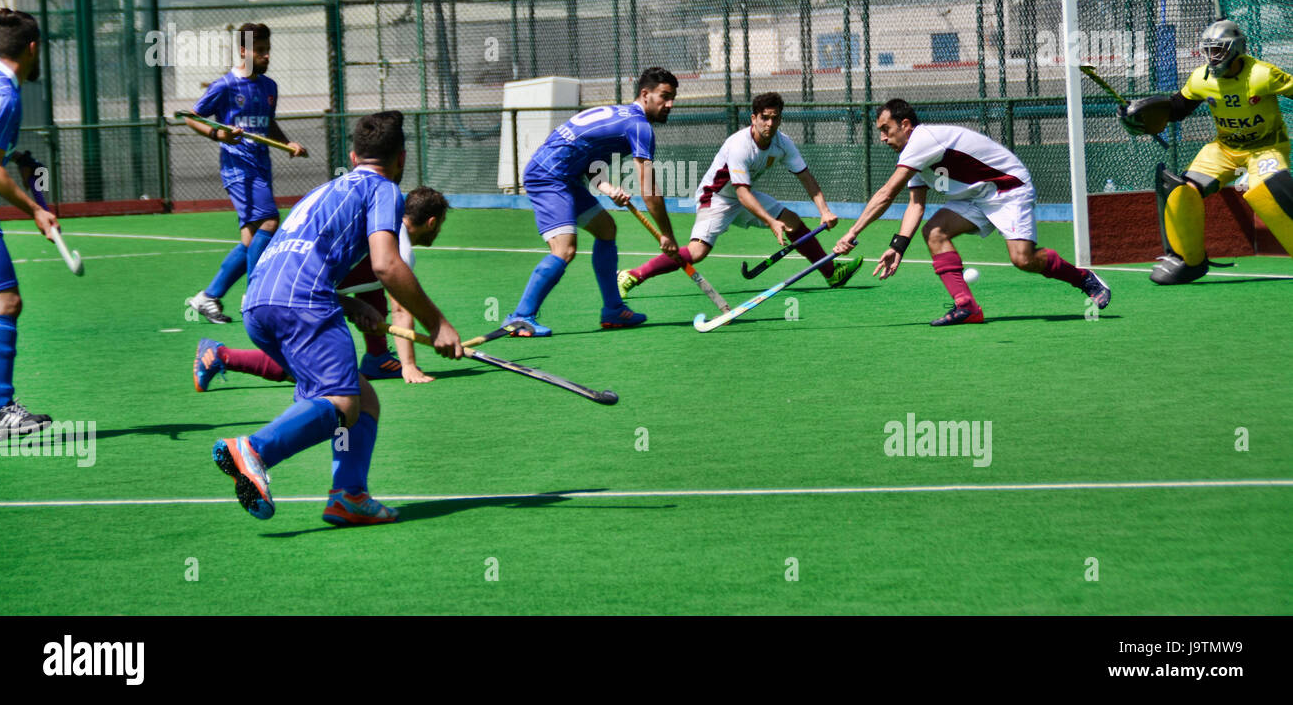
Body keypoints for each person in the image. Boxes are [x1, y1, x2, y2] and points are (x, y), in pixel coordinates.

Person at [211, 111, 462, 526]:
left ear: (352, 154)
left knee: (362, 400)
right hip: (304, 304)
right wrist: (437, 323)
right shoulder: (384, 190)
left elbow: (299, 256)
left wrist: (349, 305)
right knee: (343, 402)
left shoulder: (322, 190)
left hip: (259, 302)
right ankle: (254, 450)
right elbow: (385, 264)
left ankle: (348, 495)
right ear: (401, 158)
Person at [832, 98, 1111, 325]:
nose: (882, 137)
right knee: (935, 231)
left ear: (905, 125)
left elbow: (886, 194)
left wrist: (853, 232)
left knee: (1023, 260)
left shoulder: (922, 140)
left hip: (1007, 188)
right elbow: (916, 204)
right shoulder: (912, 154)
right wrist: (899, 245)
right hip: (973, 195)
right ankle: (967, 308)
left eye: (886, 129)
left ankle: (1084, 278)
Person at [194, 187, 449, 390]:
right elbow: (401, 309)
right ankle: (220, 355)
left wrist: (357, 309)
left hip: (282, 280)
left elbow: (367, 289)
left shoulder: (375, 222)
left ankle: (377, 357)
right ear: (431, 222)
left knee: (371, 288)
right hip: (289, 297)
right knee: (323, 375)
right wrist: (409, 365)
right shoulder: (399, 250)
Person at [618, 91, 861, 297]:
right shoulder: (740, 146)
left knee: (793, 221)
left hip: (744, 195)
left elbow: (805, 176)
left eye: (775, 119)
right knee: (697, 252)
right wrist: (770, 221)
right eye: (764, 118)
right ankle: (633, 275)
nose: (769, 124)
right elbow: (742, 193)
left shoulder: (782, 143)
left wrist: (824, 210)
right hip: (716, 197)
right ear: (753, 118)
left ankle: (831, 274)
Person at [503, 67, 681, 336]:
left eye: (673, 98)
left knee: (606, 229)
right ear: (645, 94)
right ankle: (520, 318)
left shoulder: (619, 115)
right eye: (664, 97)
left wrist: (608, 187)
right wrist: (667, 234)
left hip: (565, 176)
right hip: (549, 176)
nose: (669, 105)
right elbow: (649, 189)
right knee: (564, 249)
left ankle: (613, 310)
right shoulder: (639, 126)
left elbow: (588, 161)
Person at [1118, 19, 1293, 282]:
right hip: (1225, 150)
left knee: (1268, 191)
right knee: (1181, 191)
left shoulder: (1262, 74)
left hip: (1265, 149)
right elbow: (1178, 109)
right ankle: (1189, 261)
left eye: (1218, 50)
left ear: (1236, 49)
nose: (1212, 57)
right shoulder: (1201, 78)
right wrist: (1141, 114)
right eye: (1209, 50)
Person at [185, 23, 307, 323]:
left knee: (252, 241)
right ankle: (256, 297)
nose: (266, 56)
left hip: (262, 167)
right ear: (244, 51)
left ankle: (208, 297)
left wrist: (286, 143)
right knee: (269, 221)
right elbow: (191, 118)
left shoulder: (269, 87)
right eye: (260, 51)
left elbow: (268, 125)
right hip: (238, 169)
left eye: (268, 51)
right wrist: (219, 136)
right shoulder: (225, 86)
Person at [0, 9, 57, 441]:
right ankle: (0, 412)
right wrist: (34, 208)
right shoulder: (6, 97)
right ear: (33, 48)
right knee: (6, 301)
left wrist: (17, 157)